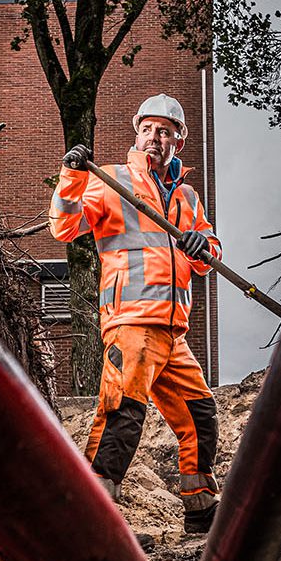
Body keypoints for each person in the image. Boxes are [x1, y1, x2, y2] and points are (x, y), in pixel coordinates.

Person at [48, 93, 223, 535]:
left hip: (172, 332)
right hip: (130, 322)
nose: (154, 138)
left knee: (200, 414)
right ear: (137, 132)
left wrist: (205, 248)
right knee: (123, 412)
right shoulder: (113, 181)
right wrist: (71, 175)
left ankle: (201, 510)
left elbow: (209, 255)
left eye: (164, 132)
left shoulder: (187, 197)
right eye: (147, 129)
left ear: (177, 142)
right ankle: (91, 515)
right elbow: (64, 227)